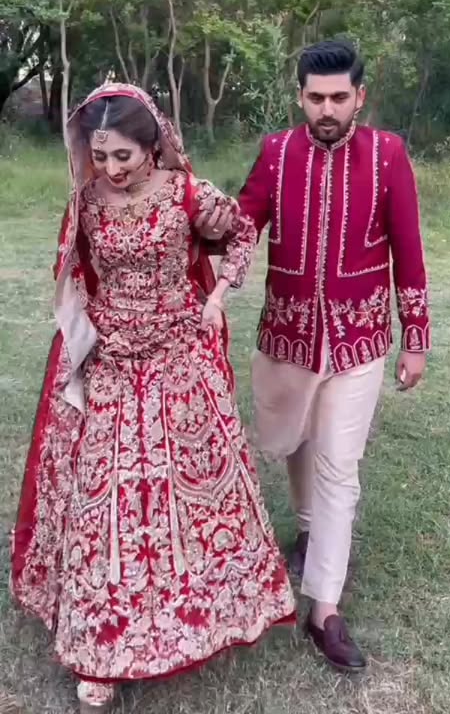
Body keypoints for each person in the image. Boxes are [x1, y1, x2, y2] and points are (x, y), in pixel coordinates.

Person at [11, 84, 295, 713]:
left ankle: (203, 613)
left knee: (192, 491)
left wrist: (217, 296)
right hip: (111, 364)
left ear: (152, 146)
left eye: (123, 156)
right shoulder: (86, 203)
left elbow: (241, 233)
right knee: (102, 499)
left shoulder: (185, 192)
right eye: (100, 156)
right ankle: (101, 647)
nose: (111, 169)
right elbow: (75, 273)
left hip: (179, 359)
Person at [200, 39, 430, 672]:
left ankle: (324, 607)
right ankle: (305, 527)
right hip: (288, 334)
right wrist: (192, 221)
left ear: (360, 96)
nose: (326, 109)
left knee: (338, 465)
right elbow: (243, 224)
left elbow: (408, 248)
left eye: (338, 97)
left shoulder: (387, 155)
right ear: (300, 95)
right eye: (315, 97)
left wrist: (415, 335)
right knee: (292, 439)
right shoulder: (278, 152)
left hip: (359, 340)